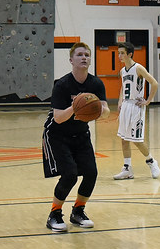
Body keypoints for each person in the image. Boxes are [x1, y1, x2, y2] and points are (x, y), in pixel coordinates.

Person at [42, 42, 110, 232]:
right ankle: (54, 214)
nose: (84, 58)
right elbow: (58, 117)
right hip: (57, 134)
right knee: (70, 174)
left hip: (80, 133)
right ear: (71, 60)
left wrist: (100, 110)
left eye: (87, 55)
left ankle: (78, 211)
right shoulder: (62, 85)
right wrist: (76, 106)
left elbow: (105, 110)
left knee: (91, 173)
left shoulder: (96, 83)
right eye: (79, 55)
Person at [112, 42, 160, 180]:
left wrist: (148, 101)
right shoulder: (122, 71)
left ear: (130, 54)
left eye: (122, 53)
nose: (119, 55)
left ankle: (151, 161)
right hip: (126, 106)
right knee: (123, 139)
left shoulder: (138, 68)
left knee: (137, 140)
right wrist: (120, 101)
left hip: (136, 106)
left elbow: (154, 83)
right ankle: (127, 169)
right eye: (119, 53)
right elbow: (123, 87)